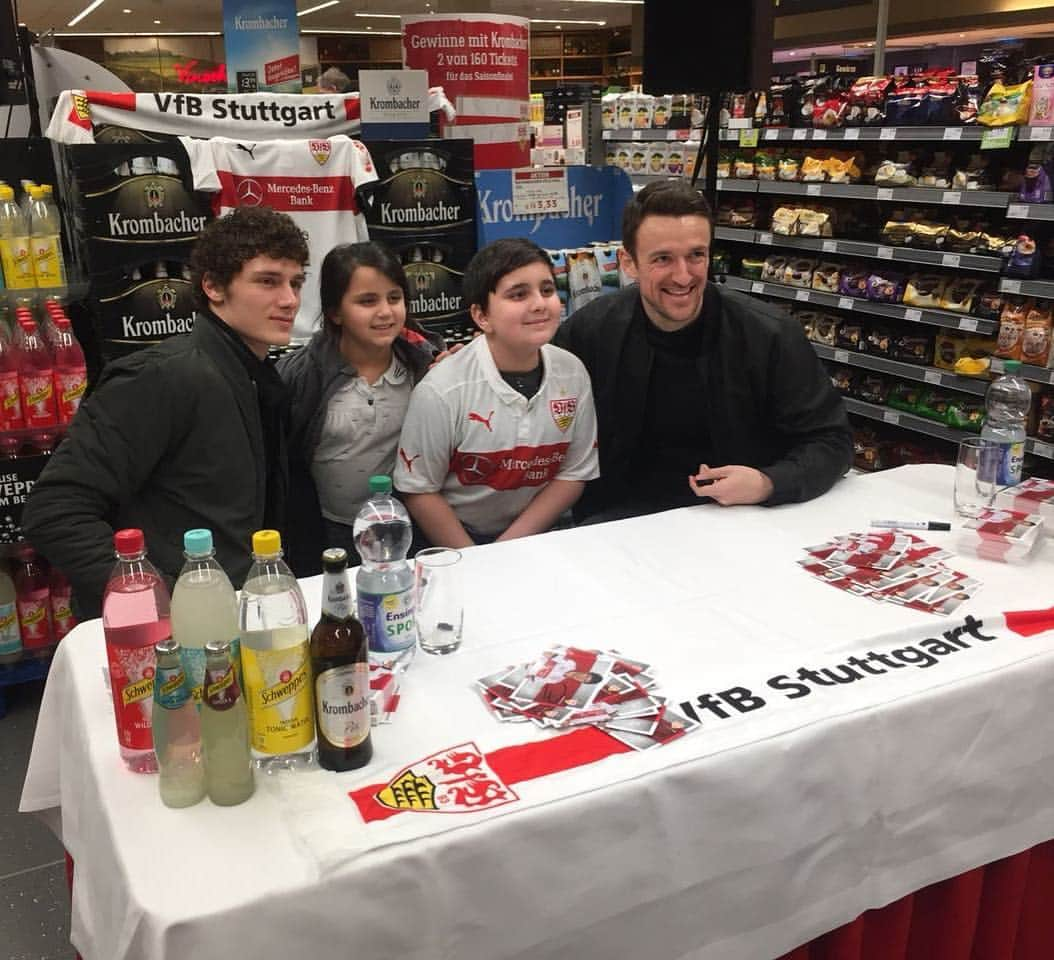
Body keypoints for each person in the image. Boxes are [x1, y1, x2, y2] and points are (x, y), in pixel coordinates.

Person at [23, 207, 310, 619]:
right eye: (267, 281)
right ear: (212, 286)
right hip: (169, 635)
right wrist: (159, 598)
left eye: (296, 283)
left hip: (237, 615)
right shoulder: (162, 377)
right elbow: (55, 510)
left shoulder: (258, 378)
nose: (289, 300)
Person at [553, 179, 852, 522]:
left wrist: (768, 482)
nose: (683, 276)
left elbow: (832, 441)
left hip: (739, 520)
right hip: (616, 526)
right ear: (628, 262)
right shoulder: (587, 334)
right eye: (663, 258)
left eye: (696, 255)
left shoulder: (768, 334)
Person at [394, 237, 599, 546]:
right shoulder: (443, 390)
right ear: (482, 317)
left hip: (540, 535)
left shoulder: (572, 372)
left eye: (547, 290)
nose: (540, 303)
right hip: (458, 541)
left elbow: (573, 473)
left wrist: (509, 548)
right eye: (518, 294)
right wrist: (477, 559)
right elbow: (419, 489)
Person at [278, 242, 443, 574]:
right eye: (367, 301)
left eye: (394, 298)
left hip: (403, 527)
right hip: (324, 531)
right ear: (335, 311)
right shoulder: (298, 375)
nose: (385, 312)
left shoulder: (426, 366)